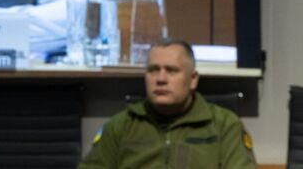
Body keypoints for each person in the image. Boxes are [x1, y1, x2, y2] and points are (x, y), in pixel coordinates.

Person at [79, 38, 256, 168]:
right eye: (153, 70)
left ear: (193, 79)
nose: (161, 79)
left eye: (171, 70)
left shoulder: (224, 125)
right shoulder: (121, 126)